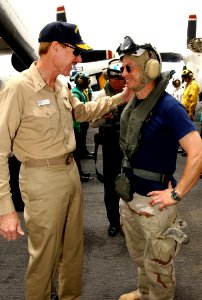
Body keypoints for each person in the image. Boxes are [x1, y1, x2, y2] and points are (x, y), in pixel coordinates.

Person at [0, 21, 133, 300]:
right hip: (41, 180)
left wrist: (122, 97)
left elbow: (83, 111)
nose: (79, 59)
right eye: (75, 52)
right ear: (56, 48)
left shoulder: (60, 86)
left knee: (73, 250)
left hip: (70, 173)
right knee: (44, 257)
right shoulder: (19, 88)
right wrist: (6, 209)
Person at [114, 36, 202, 300]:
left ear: (150, 69)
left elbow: (197, 152)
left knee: (159, 266)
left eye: (130, 67)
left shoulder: (169, 107)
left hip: (156, 204)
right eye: (122, 67)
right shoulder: (135, 102)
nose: (123, 73)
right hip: (130, 198)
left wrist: (175, 194)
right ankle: (143, 292)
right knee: (141, 257)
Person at [92, 59, 126, 236]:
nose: (119, 82)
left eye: (122, 78)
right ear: (108, 78)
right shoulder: (100, 96)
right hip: (111, 145)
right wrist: (103, 117)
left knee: (131, 182)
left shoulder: (134, 93)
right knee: (111, 186)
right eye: (115, 79)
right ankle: (114, 221)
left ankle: (129, 222)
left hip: (130, 145)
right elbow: (92, 122)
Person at [72, 72, 93, 182]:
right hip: (77, 126)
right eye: (86, 81)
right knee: (76, 154)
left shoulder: (81, 91)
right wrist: (78, 127)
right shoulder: (76, 93)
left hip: (81, 124)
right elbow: (76, 113)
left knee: (79, 151)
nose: (88, 83)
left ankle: (80, 173)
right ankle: (78, 175)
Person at [180, 69, 200, 157]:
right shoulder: (187, 85)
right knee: (184, 130)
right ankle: (185, 149)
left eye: (185, 77)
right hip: (184, 110)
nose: (184, 79)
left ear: (190, 77)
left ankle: (190, 150)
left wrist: (190, 112)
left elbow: (193, 101)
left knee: (188, 132)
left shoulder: (194, 86)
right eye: (183, 78)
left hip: (188, 111)